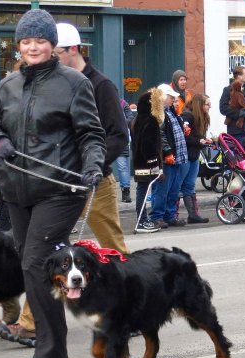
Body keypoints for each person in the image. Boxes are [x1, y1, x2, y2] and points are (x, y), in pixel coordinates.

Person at [0, 9, 106, 358]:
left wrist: (93, 164)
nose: (32, 47)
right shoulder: (7, 85)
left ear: (52, 45)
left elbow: (91, 134)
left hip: (60, 188)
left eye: (40, 40)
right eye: (26, 41)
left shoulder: (73, 83)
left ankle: (51, 352)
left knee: (36, 262)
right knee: (34, 264)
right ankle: (100, 317)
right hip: (17, 189)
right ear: (18, 45)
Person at [54, 22, 129, 253]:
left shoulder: (101, 85)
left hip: (95, 180)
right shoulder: (55, 84)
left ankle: (124, 287)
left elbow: (118, 135)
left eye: (56, 54)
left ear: (73, 49)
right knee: (52, 244)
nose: (52, 60)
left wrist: (93, 163)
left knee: (112, 247)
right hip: (61, 179)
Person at [150, 83, 189, 229]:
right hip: (168, 157)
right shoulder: (160, 113)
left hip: (175, 156)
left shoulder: (170, 111)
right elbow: (161, 135)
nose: (173, 99)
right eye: (171, 97)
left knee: (173, 188)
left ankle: (169, 215)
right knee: (163, 188)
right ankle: (157, 216)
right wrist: (167, 152)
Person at [131, 87, 164, 233]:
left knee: (142, 190)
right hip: (146, 163)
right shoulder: (150, 120)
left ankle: (142, 219)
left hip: (139, 161)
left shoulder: (139, 119)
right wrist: (154, 163)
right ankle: (141, 221)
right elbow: (148, 144)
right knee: (143, 191)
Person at [180, 94, 213, 223]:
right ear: (200, 105)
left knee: (190, 185)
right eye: (207, 104)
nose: (209, 107)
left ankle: (193, 214)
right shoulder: (187, 116)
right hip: (186, 156)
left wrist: (204, 140)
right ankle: (172, 214)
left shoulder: (202, 118)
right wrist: (200, 140)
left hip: (194, 155)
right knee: (178, 186)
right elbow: (185, 136)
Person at [219, 65, 245, 143]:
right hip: (235, 132)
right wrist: (239, 113)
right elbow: (223, 108)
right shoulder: (228, 90)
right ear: (239, 76)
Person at [116, 98, 134, 203]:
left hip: (121, 138)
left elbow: (130, 118)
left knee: (122, 166)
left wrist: (119, 124)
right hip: (105, 138)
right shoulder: (102, 102)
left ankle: (125, 191)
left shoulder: (122, 103)